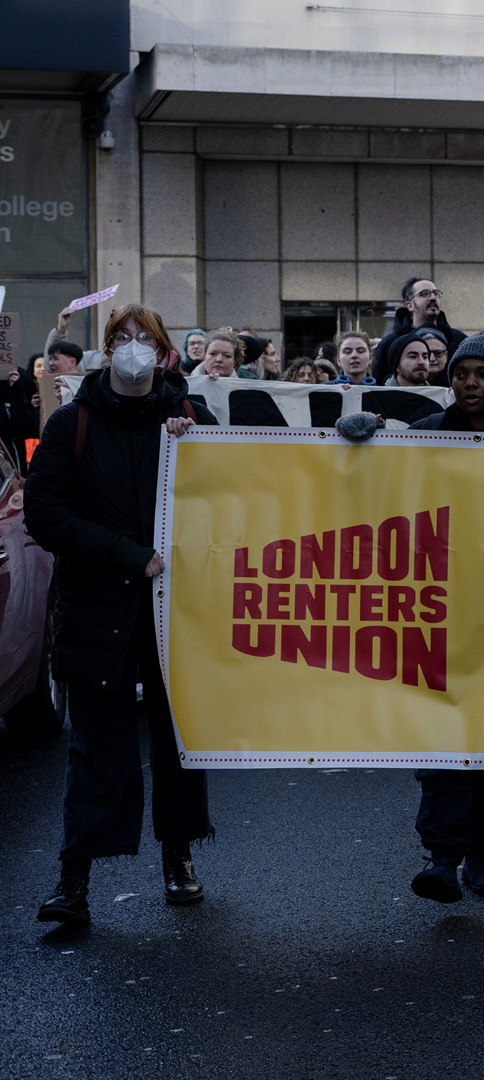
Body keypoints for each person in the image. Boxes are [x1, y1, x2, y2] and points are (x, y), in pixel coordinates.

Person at [334, 330, 484, 903]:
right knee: (443, 740)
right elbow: (377, 492)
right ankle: (442, 858)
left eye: (483, 374)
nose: (470, 383)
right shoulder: (423, 437)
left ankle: (482, 855)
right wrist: (356, 447)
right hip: (435, 613)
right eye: (461, 374)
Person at [25, 304, 217, 926]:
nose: (133, 348)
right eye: (121, 338)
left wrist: (204, 453)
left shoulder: (191, 418)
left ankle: (178, 858)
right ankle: (73, 878)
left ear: (163, 355)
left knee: (179, 744)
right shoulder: (72, 425)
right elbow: (46, 514)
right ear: (107, 351)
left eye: (146, 340)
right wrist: (127, 555)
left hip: (176, 615)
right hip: (99, 610)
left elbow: (250, 490)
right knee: (96, 747)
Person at [374, 277, 466, 384]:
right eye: (424, 294)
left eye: (436, 293)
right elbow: (378, 384)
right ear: (410, 305)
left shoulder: (458, 340)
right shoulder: (389, 343)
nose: (433, 298)